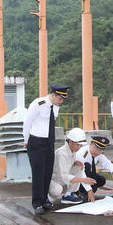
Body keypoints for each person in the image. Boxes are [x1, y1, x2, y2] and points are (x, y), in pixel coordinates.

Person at [23, 84, 69, 215]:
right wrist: (26, 140)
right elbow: (27, 122)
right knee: (38, 173)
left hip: (49, 142)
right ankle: (37, 203)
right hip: (36, 142)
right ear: (53, 95)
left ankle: (45, 200)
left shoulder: (56, 107)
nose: (61, 101)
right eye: (60, 98)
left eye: (63, 99)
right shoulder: (38, 104)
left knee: (47, 172)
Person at [48, 127, 96, 204]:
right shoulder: (62, 153)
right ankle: (47, 199)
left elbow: (67, 169)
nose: (79, 147)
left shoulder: (72, 150)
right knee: (57, 190)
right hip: (53, 180)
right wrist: (84, 180)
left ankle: (68, 195)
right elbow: (65, 177)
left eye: (80, 145)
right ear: (70, 142)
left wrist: (74, 163)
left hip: (61, 179)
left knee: (78, 166)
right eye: (77, 145)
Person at [75, 136, 113, 203]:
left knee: (101, 180)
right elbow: (81, 173)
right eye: (96, 148)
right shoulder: (83, 153)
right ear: (91, 144)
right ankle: (80, 191)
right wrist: (89, 190)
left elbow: (106, 162)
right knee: (87, 166)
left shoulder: (98, 154)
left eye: (100, 150)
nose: (97, 152)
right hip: (77, 176)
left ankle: (87, 191)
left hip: (87, 174)